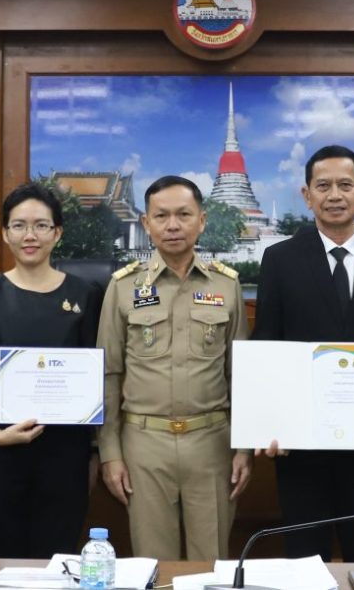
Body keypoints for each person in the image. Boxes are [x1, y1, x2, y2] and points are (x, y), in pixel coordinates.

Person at [252, 144, 354, 563]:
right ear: (307, 196)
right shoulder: (280, 259)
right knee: (305, 563)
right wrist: (268, 421)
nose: (335, 195)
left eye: (345, 185)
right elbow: (267, 342)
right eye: (323, 186)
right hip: (301, 447)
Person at [97, 175, 251, 560]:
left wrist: (244, 448)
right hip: (144, 444)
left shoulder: (226, 285)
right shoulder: (122, 286)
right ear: (146, 223)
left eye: (183, 215)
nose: (172, 225)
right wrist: (110, 453)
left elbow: (241, 373)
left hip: (211, 443)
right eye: (161, 216)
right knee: (153, 564)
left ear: (202, 220)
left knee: (211, 564)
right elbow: (108, 374)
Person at [0, 182, 100, 557]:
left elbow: (99, 374)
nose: (30, 235)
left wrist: (95, 450)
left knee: (57, 560)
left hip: (65, 453)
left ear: (57, 233)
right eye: (19, 225)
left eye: (41, 225)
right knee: (0, 560)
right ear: (5, 233)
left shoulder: (86, 295)